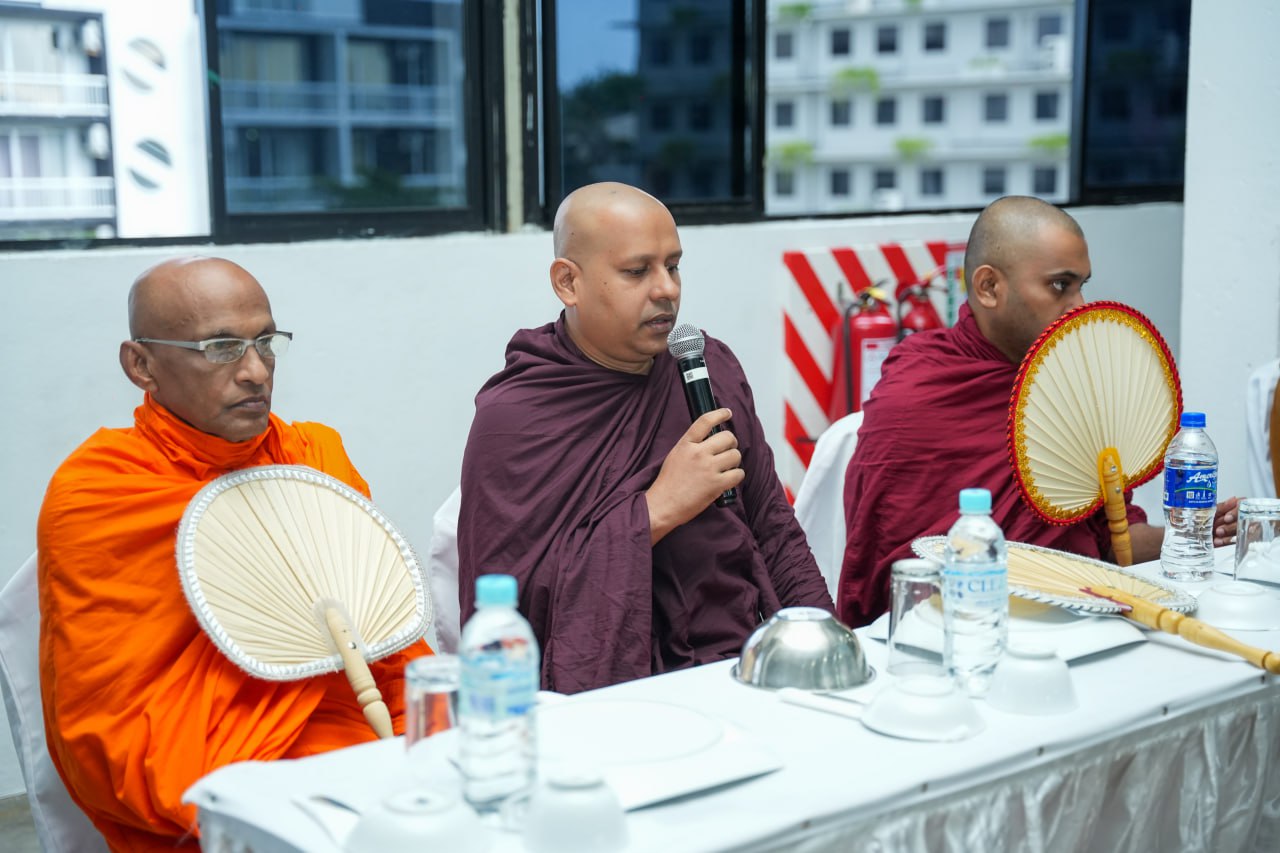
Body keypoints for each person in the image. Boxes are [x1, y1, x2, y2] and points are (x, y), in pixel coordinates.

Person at [37, 257, 431, 851]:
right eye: (221, 348)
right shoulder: (101, 493)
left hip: (358, 725)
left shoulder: (312, 460)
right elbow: (108, 724)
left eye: (266, 343)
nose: (255, 372)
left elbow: (385, 643)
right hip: (216, 762)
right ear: (140, 364)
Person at [457, 182, 832, 694]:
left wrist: (826, 645)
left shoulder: (707, 367)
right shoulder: (516, 418)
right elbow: (508, 612)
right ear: (568, 283)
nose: (667, 290)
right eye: (638, 271)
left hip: (741, 668)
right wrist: (656, 511)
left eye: (673, 266)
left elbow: (773, 530)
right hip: (610, 701)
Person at [837, 196, 1238, 626]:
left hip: (1080, 624)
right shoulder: (917, 389)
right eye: (1060, 286)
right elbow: (889, 570)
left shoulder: (1074, 384)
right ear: (989, 287)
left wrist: (1189, 535)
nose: (1080, 306)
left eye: (1083, 284)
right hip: (954, 631)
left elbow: (1109, 541)